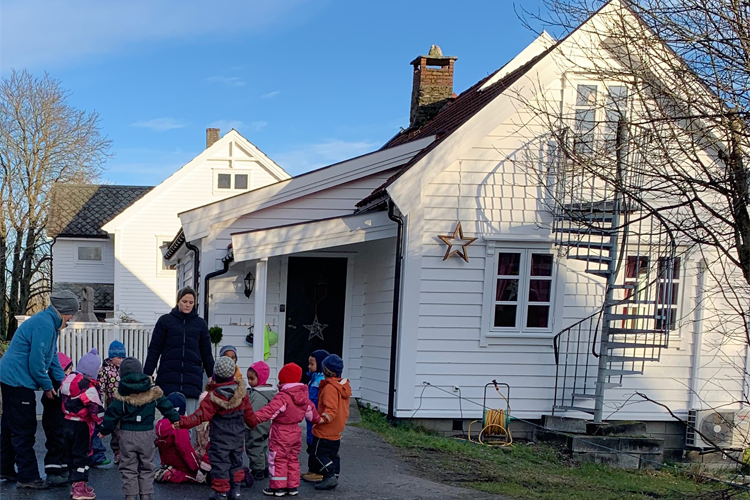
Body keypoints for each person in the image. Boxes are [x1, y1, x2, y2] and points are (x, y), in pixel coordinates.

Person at [0, 290, 79, 489]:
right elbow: (36, 363)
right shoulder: (44, 325)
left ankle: (5, 468)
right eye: (71, 314)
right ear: (63, 311)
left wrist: (63, 384)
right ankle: (28, 477)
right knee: (23, 429)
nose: (71, 319)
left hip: (11, 377)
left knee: (10, 425)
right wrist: (47, 386)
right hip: (17, 381)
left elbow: (52, 358)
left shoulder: (50, 325)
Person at [99, 357, 180, 500]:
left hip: (127, 435)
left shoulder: (122, 395)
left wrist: (103, 430)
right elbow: (166, 405)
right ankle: (146, 494)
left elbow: (112, 414)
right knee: (147, 465)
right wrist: (176, 419)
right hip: (147, 434)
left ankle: (130, 496)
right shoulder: (152, 392)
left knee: (129, 467)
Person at [178, 356, 257, 500]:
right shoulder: (242, 394)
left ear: (215, 375)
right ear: (233, 374)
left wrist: (182, 423)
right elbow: (249, 414)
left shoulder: (213, 397)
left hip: (220, 438)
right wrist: (253, 424)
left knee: (220, 464)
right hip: (238, 437)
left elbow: (200, 416)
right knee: (236, 462)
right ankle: (236, 490)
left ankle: (221, 492)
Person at [144, 287, 214, 413]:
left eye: (191, 302)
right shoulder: (165, 321)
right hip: (168, 379)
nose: (187, 305)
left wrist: (211, 375)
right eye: (184, 301)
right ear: (178, 301)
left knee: (189, 421)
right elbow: (154, 349)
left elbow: (206, 353)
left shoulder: (200, 324)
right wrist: (148, 373)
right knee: (167, 421)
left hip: (192, 381)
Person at [255, 363, 320, 497]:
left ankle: (278, 487)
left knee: (278, 459)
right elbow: (312, 415)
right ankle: (292, 486)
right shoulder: (304, 397)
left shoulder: (283, 397)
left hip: (281, 431)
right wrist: (320, 420)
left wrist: (253, 418)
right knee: (292, 459)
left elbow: (269, 412)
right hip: (295, 431)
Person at [61, 348, 105, 500]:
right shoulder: (88, 387)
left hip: (66, 422)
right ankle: (79, 489)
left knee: (71, 454)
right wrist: (103, 424)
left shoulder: (68, 382)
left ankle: (75, 483)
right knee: (83, 455)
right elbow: (95, 409)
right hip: (82, 426)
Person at [310, 354, 351, 491]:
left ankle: (330, 475)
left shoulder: (330, 388)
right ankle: (334, 475)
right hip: (337, 428)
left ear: (326, 371)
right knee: (333, 454)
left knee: (318, 453)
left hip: (326, 428)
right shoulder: (342, 386)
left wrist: (321, 419)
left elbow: (331, 409)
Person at [154, 392, 209, 484]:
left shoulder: (161, 425)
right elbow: (185, 448)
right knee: (197, 478)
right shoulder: (179, 426)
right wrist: (196, 466)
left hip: (169, 461)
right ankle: (171, 474)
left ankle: (169, 469)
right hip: (181, 462)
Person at [41, 352, 73, 486]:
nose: (70, 372)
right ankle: (52, 472)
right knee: (55, 444)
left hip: (60, 420)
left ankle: (63, 468)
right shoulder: (54, 385)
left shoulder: (60, 383)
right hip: (54, 420)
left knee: (64, 444)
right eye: (69, 369)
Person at [95, 340, 127, 465]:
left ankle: (125, 451)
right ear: (111, 357)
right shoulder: (105, 370)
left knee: (124, 427)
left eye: (123, 358)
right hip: (112, 401)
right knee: (116, 428)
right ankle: (117, 451)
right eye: (118, 357)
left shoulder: (125, 369)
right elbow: (101, 388)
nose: (121, 360)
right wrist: (101, 403)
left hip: (125, 401)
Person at [245, 361, 276, 480]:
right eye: (248, 378)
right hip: (264, 425)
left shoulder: (258, 395)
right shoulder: (266, 392)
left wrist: (246, 423)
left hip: (255, 425)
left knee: (254, 446)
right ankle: (264, 467)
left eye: (252, 378)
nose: (249, 381)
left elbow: (252, 412)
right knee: (263, 446)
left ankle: (257, 470)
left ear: (261, 377)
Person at [301, 349, 328, 483]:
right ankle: (312, 469)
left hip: (316, 416)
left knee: (316, 445)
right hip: (310, 416)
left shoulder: (322, 380)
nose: (309, 367)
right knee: (310, 442)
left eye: (312, 364)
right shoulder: (313, 377)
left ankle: (317, 471)